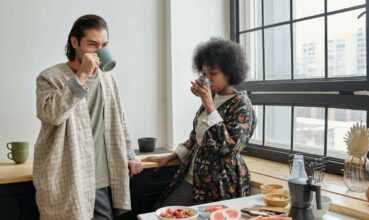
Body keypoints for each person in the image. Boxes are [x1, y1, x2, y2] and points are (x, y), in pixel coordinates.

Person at [33, 14, 142, 220]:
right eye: (92, 44)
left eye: (104, 45)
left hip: (101, 179)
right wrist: (81, 76)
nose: (99, 51)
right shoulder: (49, 77)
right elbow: (52, 115)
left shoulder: (107, 78)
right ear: (75, 43)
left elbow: (120, 120)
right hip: (68, 178)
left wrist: (130, 154)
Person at [143, 38, 256, 206]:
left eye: (213, 74)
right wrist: (172, 155)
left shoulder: (241, 104)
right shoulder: (213, 98)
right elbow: (196, 138)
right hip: (193, 175)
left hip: (222, 182)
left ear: (230, 72)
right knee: (162, 210)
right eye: (204, 74)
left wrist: (209, 105)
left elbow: (229, 147)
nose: (207, 79)